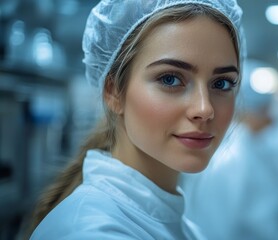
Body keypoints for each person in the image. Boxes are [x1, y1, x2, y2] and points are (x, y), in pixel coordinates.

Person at [27, 0, 245, 239]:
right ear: (113, 92)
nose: (205, 109)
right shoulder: (92, 232)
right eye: (170, 79)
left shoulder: (179, 226)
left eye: (221, 83)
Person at [181, 59, 278, 240]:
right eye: (263, 109)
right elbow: (217, 226)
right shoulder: (229, 158)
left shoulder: (250, 145)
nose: (269, 117)